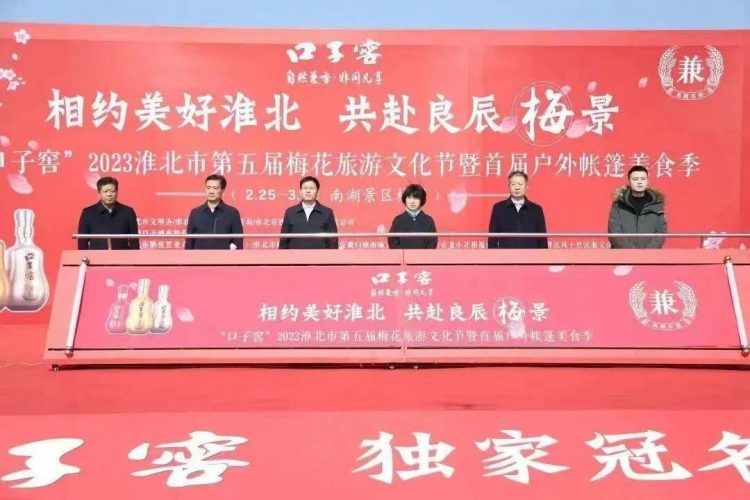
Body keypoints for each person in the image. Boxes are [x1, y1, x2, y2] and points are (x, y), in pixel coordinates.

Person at [608, 165, 666, 249]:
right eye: (635, 179)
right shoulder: (619, 204)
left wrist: (647, 252)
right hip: (622, 255)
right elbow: (614, 233)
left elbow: (661, 232)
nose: (639, 182)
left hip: (650, 255)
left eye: (643, 179)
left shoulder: (657, 204)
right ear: (629, 182)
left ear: (647, 181)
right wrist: (633, 253)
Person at [488, 171, 548, 249]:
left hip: (531, 255)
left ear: (526, 186)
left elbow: (542, 238)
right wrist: (493, 255)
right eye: (513, 184)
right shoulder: (498, 208)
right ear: (509, 186)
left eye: (520, 184)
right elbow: (492, 237)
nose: (517, 187)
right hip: (506, 255)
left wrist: (544, 255)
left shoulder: (536, 209)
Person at [77, 176, 139, 250]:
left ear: (117, 192)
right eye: (105, 191)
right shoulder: (88, 213)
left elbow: (134, 242)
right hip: (96, 256)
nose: (109, 194)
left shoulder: (128, 212)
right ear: (99, 193)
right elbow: (82, 243)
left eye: (112, 191)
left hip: (122, 256)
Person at [185, 174, 243, 250]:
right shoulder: (195, 213)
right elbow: (189, 242)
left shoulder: (232, 213)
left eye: (215, 188)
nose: (211, 191)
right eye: (208, 188)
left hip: (224, 257)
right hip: (199, 257)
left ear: (222, 190)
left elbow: (238, 241)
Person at [280, 176, 338, 249]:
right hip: (295, 255)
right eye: (305, 188)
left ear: (318, 192)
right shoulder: (290, 212)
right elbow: (284, 240)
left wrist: (332, 255)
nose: (308, 191)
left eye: (311, 188)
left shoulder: (327, 212)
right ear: (300, 191)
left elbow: (333, 240)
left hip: (320, 255)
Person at [388, 184, 437, 249]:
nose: (412, 201)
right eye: (409, 198)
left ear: (421, 200)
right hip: (402, 255)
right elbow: (392, 241)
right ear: (405, 199)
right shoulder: (398, 220)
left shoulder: (428, 220)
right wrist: (404, 254)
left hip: (424, 255)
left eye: (416, 198)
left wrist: (423, 254)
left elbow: (432, 243)